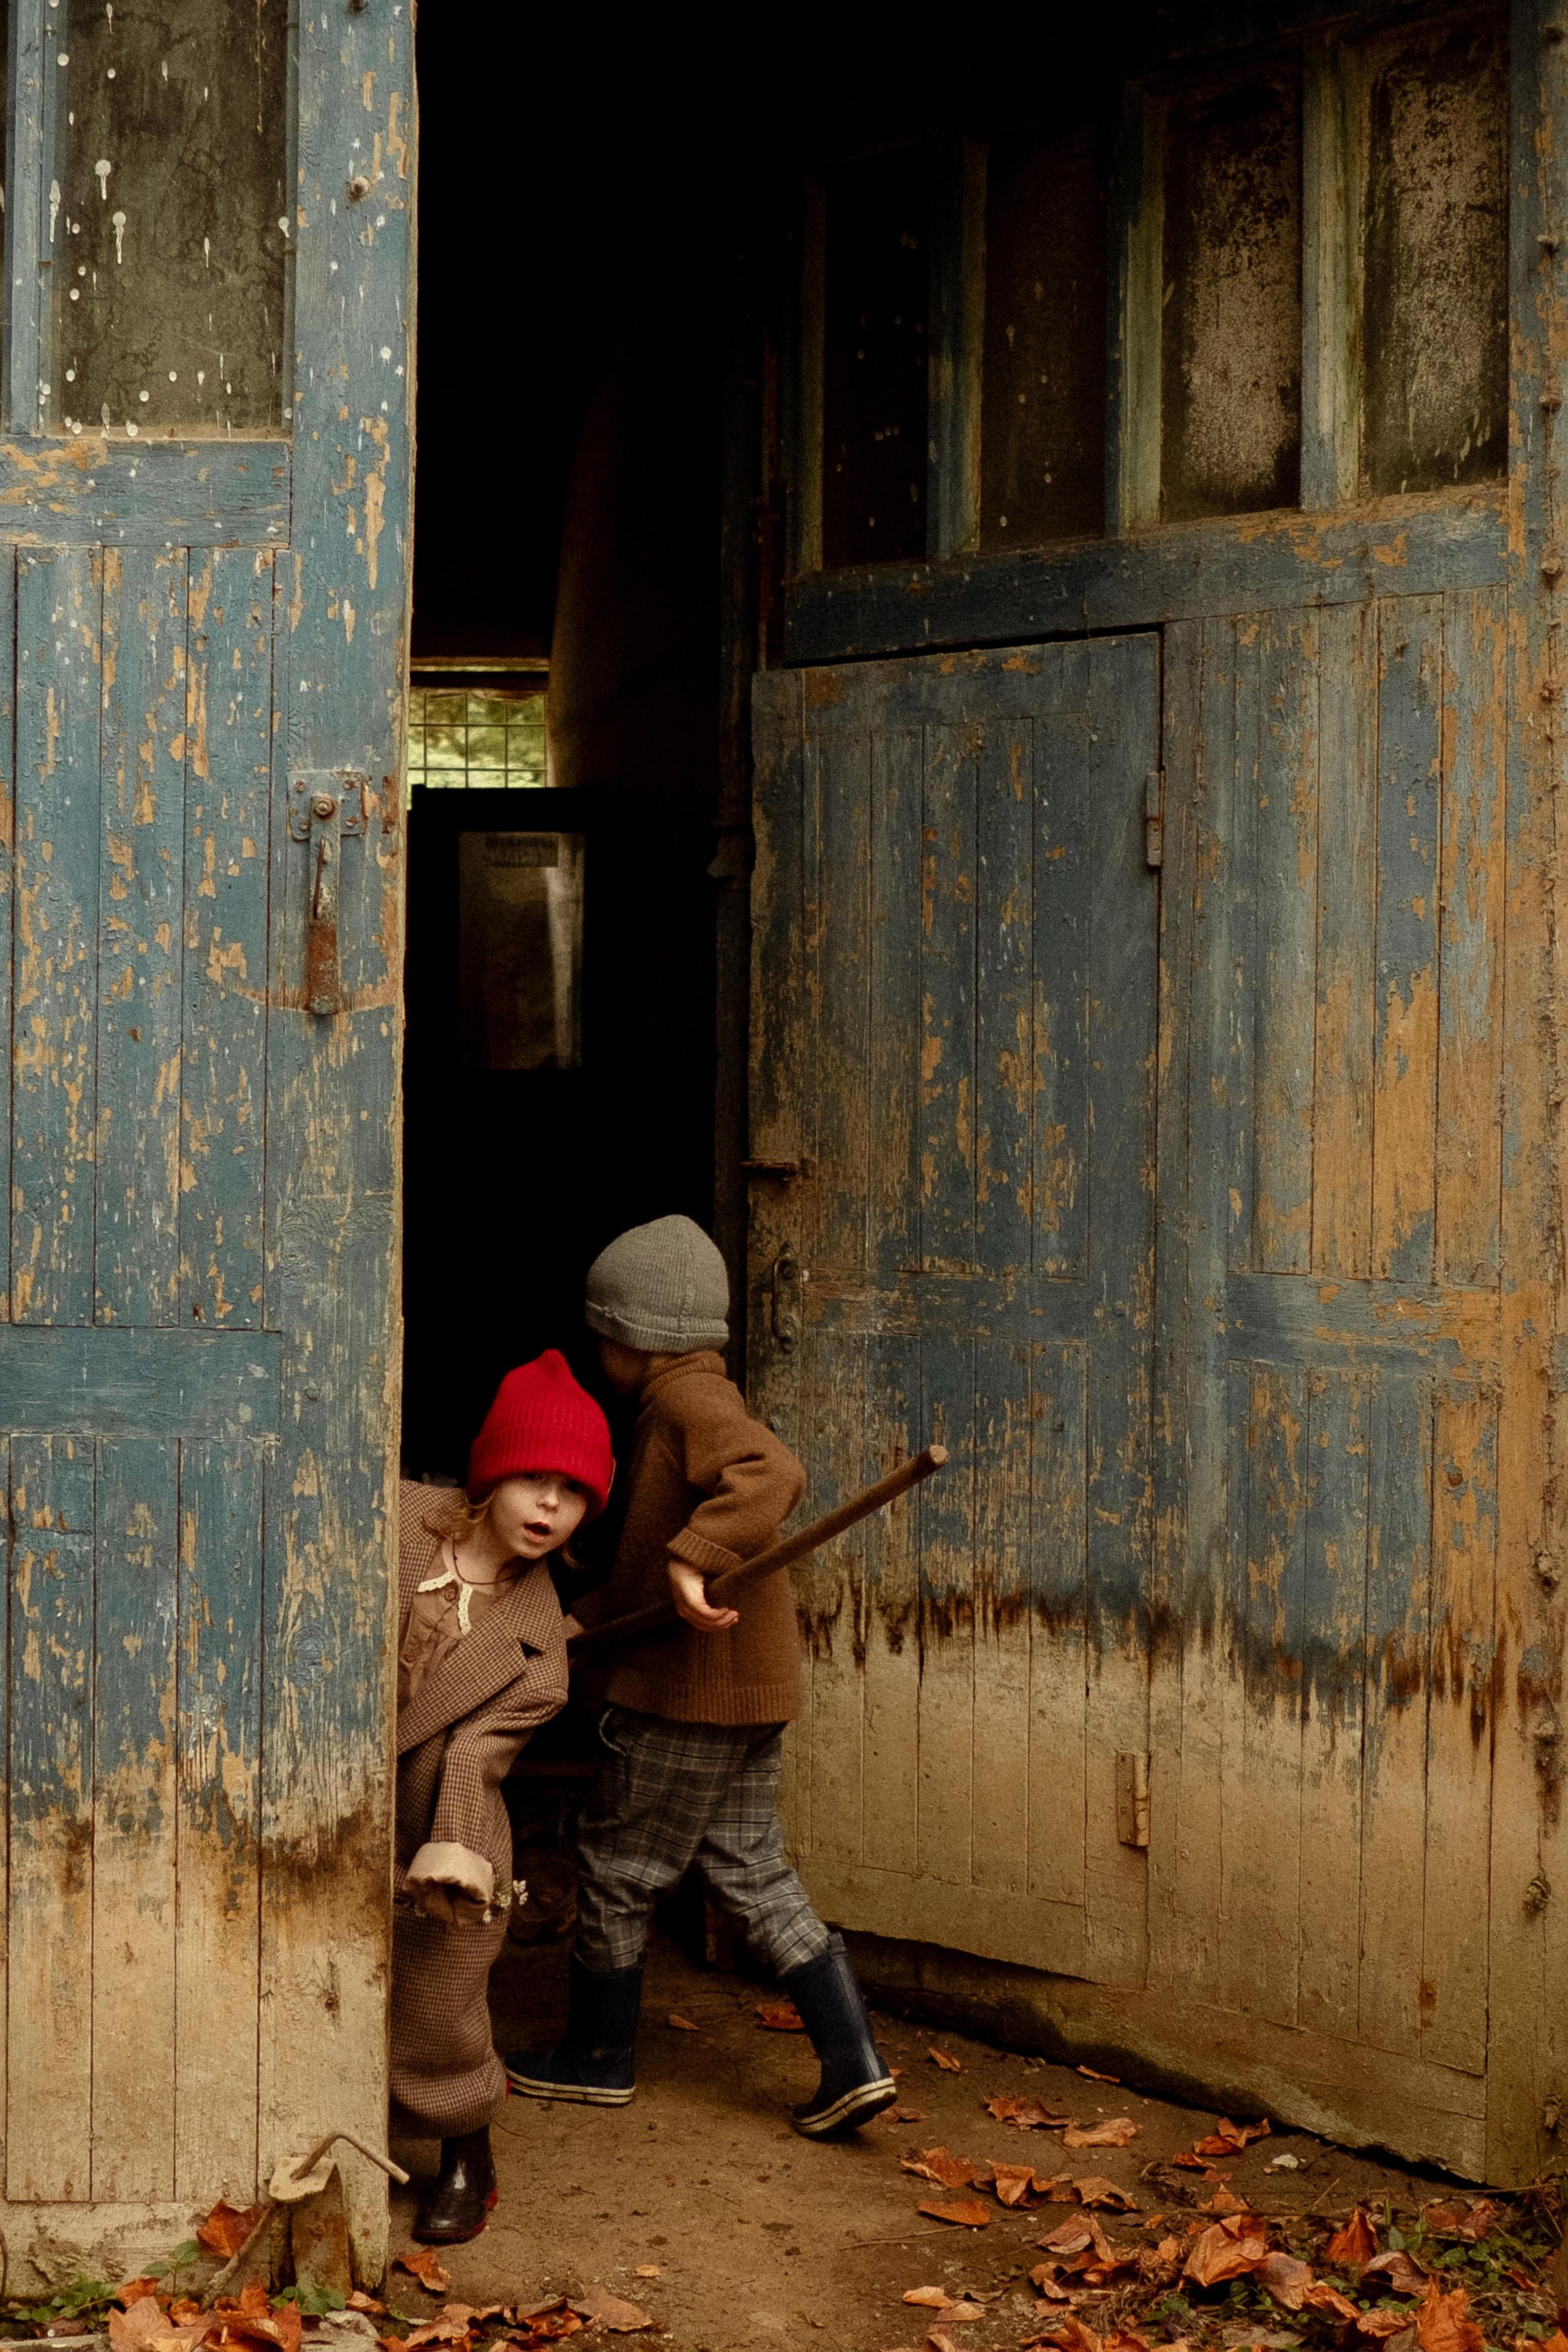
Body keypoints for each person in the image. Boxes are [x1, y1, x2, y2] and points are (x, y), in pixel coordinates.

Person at [503, 1215, 894, 2138]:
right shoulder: (690, 1402)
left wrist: (696, 1556)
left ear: (631, 1339)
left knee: (617, 1867)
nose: (600, 1352)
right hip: (749, 1694)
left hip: (688, 1696)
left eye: (603, 1335)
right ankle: (853, 2062)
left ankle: (598, 2057)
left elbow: (770, 1473)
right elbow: (649, 1564)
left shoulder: (686, 1404)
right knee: (751, 1867)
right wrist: (586, 1619)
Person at [394, 1348, 613, 2242]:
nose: (550, 1506)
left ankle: (466, 2154)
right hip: (326, 1796)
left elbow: (476, 1755)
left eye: (575, 1493)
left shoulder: (539, 1648)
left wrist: (450, 1854)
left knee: (441, 1995)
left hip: (444, 1817)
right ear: (491, 1475)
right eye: (534, 1480)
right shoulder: (391, 1519)